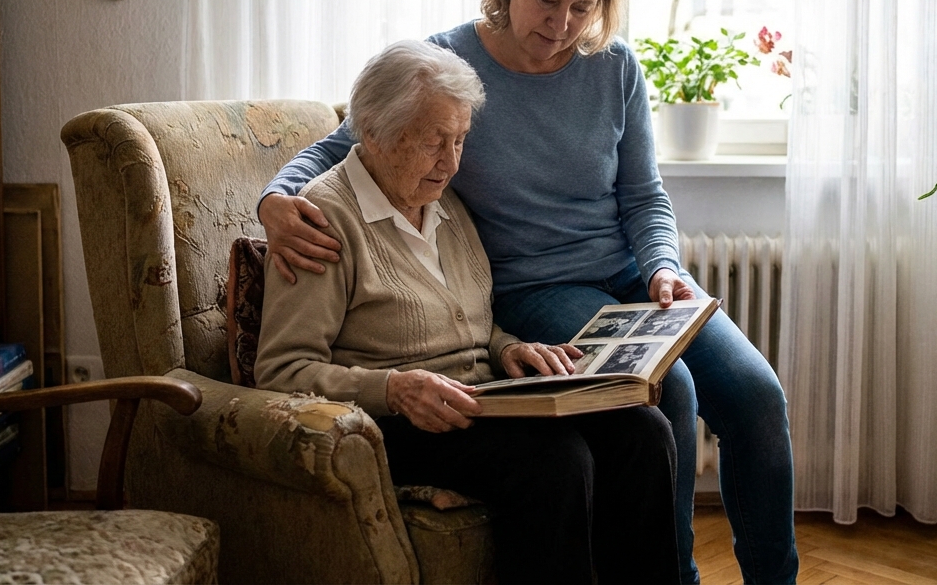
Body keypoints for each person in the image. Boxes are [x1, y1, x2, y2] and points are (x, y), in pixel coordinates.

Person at [258, 0, 798, 584]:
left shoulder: (613, 67)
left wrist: (663, 267)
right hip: (536, 289)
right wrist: (275, 199)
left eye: (585, 6)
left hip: (631, 276)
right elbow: (347, 145)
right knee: (670, 393)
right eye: (548, 0)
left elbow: (644, 198)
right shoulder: (446, 64)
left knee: (757, 396)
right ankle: (675, 575)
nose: (563, 24)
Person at [253, 39, 681, 585]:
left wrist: (509, 348)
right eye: (435, 142)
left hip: (484, 400)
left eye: (460, 140)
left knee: (642, 432)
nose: (452, 162)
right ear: (377, 133)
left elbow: (471, 320)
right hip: (400, 424)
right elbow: (281, 370)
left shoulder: (446, 203)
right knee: (555, 463)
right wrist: (395, 388)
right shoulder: (322, 221)